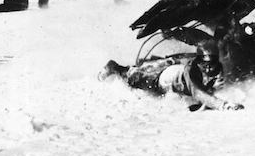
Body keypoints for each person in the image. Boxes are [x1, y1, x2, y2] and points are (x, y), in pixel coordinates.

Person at [98, 40, 244, 111]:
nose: (209, 66)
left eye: (212, 61)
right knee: (131, 77)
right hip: (159, 78)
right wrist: (224, 106)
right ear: (198, 61)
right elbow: (199, 93)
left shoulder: (216, 68)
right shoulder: (191, 71)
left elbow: (206, 90)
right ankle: (113, 67)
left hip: (171, 69)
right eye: (205, 63)